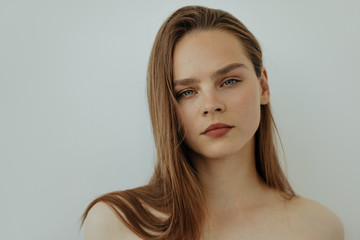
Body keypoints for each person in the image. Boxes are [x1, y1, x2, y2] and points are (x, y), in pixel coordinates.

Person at [80, 5, 344, 240]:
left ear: (263, 86)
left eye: (229, 81)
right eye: (186, 92)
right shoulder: (117, 224)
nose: (211, 104)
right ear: (166, 106)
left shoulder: (319, 228)